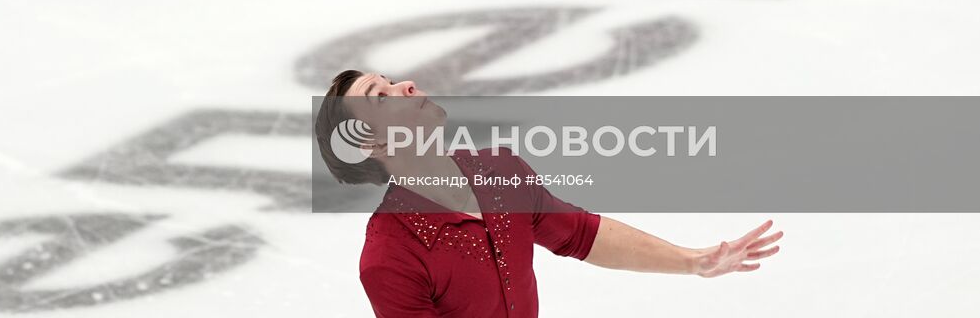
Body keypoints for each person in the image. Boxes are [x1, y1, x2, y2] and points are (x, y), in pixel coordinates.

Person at [315, 70, 783, 318]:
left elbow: (581, 234)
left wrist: (693, 262)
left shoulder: (499, 170)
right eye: (381, 96)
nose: (406, 85)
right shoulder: (392, 257)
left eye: (390, 80)